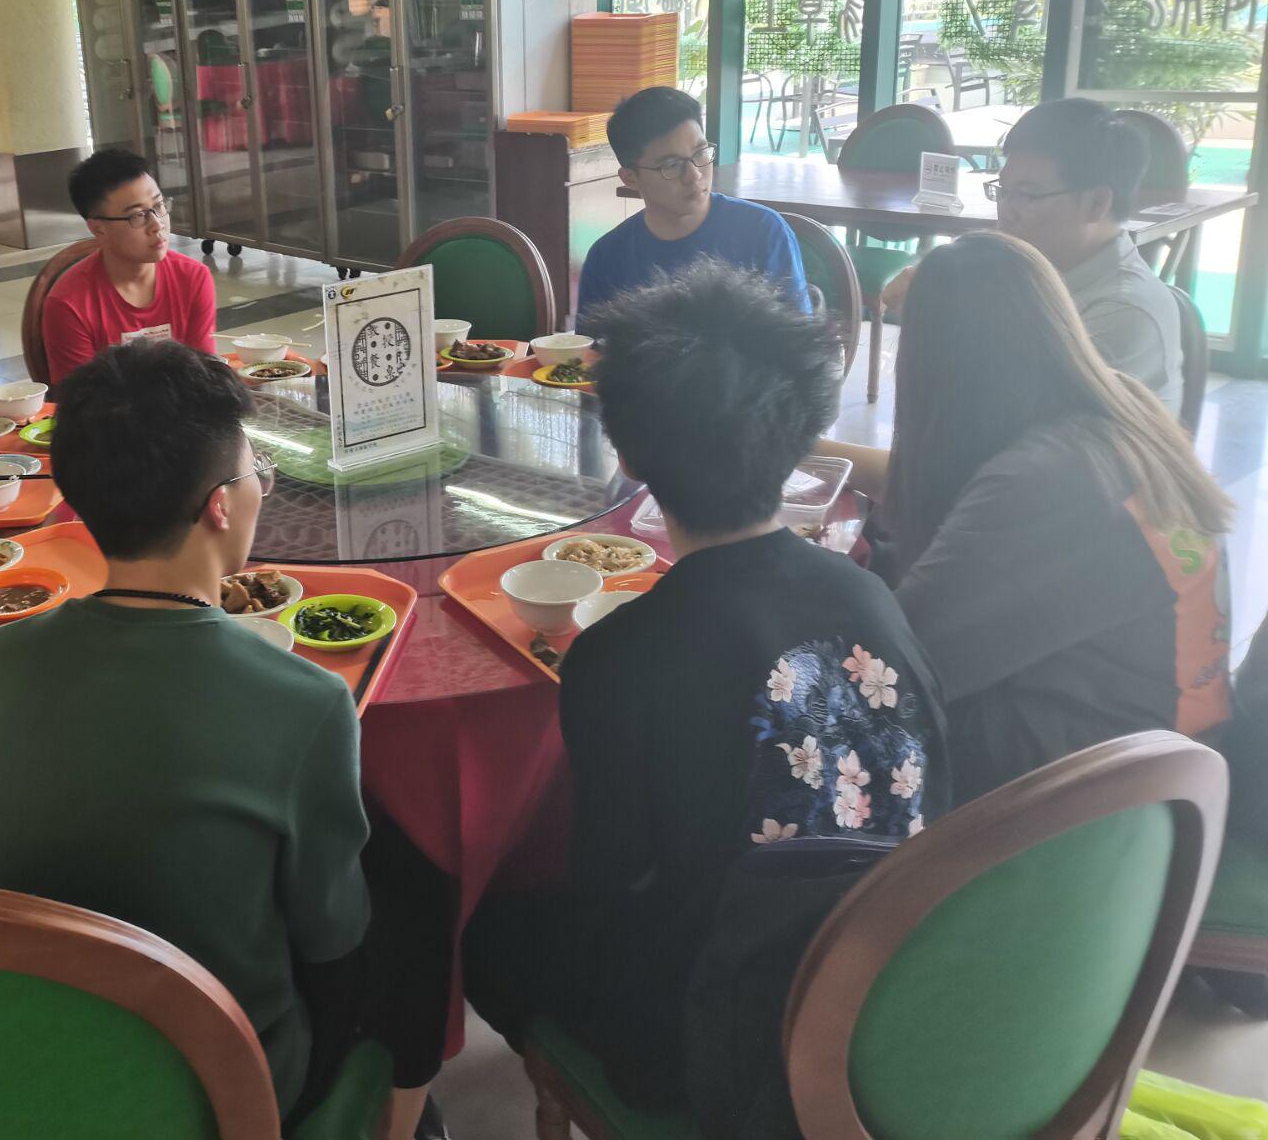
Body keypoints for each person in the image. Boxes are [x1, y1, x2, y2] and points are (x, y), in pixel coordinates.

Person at [464, 260, 944, 1106]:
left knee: (486, 927)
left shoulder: (618, 653)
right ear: (802, 432)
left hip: (717, 1051)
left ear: (627, 452)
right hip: (889, 994)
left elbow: (608, 882)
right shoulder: (869, 592)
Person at [0, 341, 449, 1139]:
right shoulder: (307, 702)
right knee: (419, 885)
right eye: (258, 473)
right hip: (226, 1083)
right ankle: (401, 1118)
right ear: (220, 506)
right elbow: (331, 937)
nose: (260, 489)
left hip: (45, 1048)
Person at [845, 231, 1231, 800]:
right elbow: (930, 484)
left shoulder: (1047, 482)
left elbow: (895, 670)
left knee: (809, 707)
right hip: (1172, 761)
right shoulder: (1115, 409)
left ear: (938, 363)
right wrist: (803, 450)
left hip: (1087, 793)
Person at [879, 99, 1182, 412]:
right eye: (1003, 191)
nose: (1006, 212)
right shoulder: (1022, 271)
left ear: (1096, 203)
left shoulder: (1123, 313)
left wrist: (935, 324)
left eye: (1026, 194)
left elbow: (1014, 419)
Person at [577, 87, 809, 325]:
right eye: (671, 165)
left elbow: (798, 340)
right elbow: (591, 347)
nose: (694, 175)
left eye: (700, 153)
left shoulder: (762, 231)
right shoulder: (607, 259)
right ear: (631, 178)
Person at [40, 147, 217, 380]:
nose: (157, 225)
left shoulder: (193, 278)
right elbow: (80, 397)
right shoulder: (69, 304)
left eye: (159, 206)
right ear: (98, 229)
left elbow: (204, 379)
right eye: (138, 215)